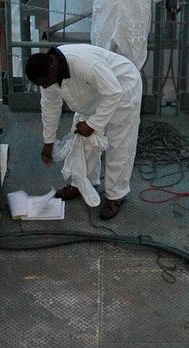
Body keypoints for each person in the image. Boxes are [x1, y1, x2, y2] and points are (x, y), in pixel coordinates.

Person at [24, 44, 142, 221]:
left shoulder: (84, 64)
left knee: (119, 144)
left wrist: (93, 124)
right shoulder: (47, 77)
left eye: (44, 83)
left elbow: (113, 93)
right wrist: (48, 141)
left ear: (51, 69)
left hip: (122, 88)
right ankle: (80, 184)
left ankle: (115, 196)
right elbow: (49, 107)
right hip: (93, 94)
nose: (44, 87)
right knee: (81, 141)